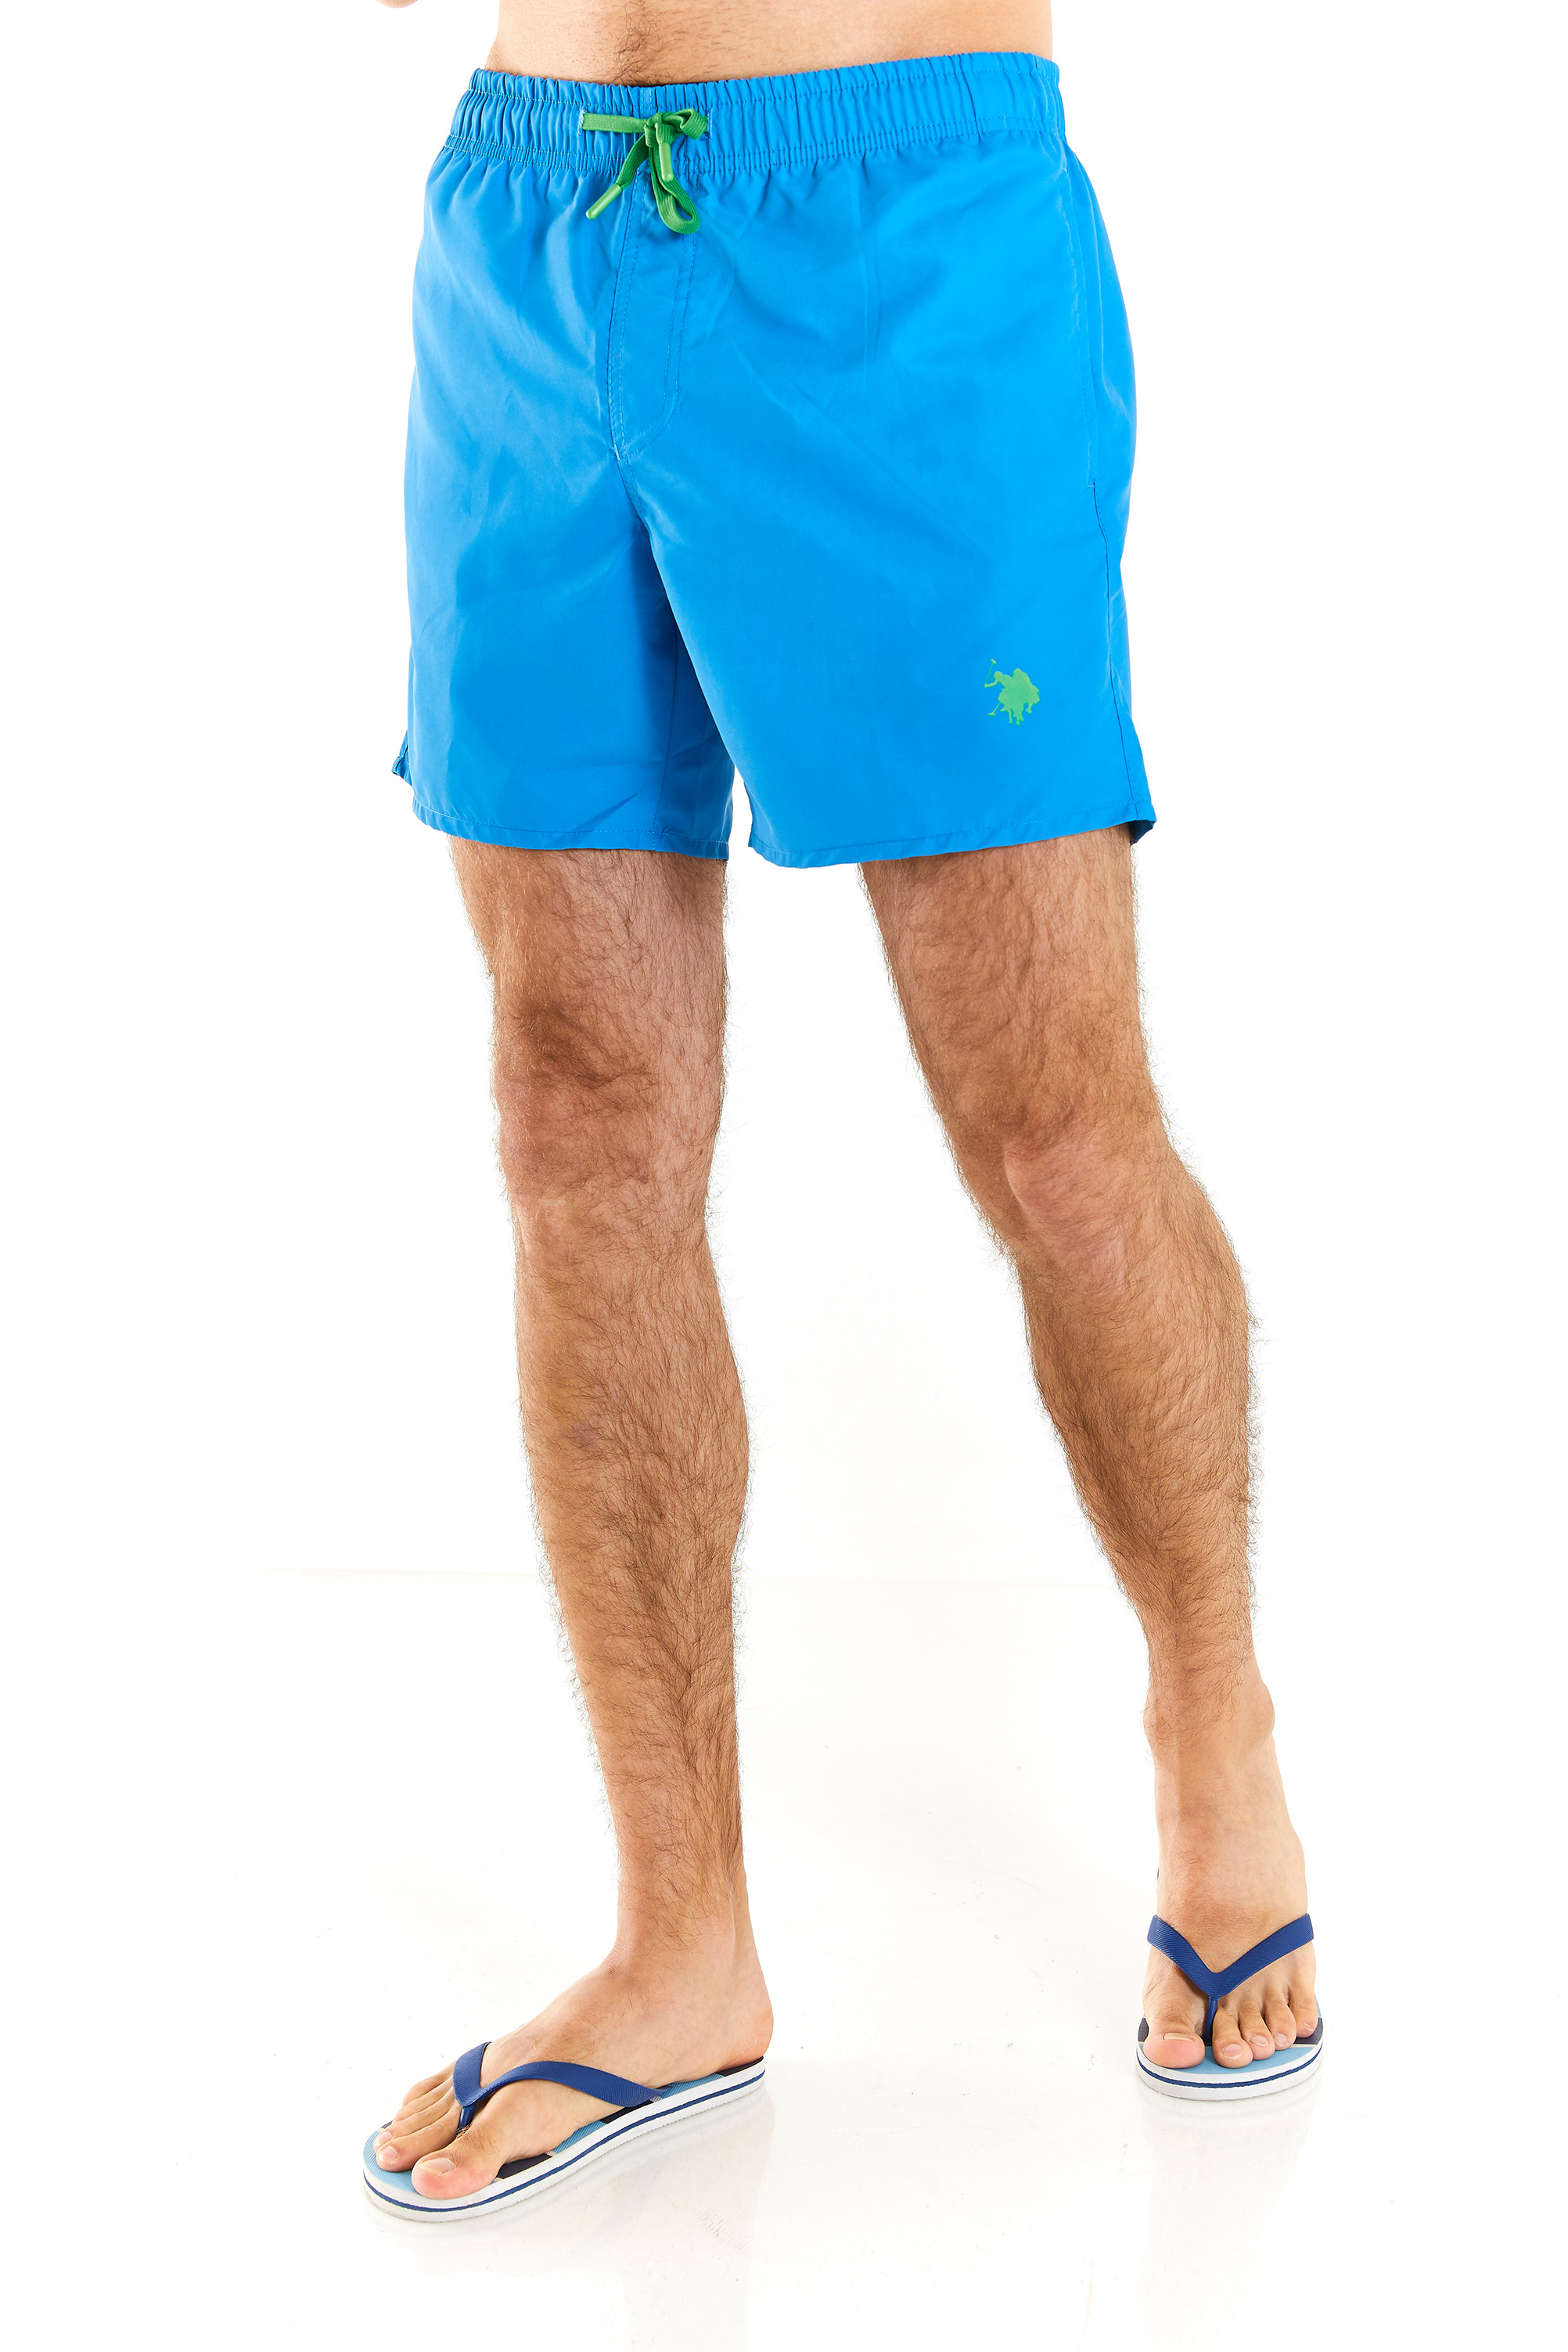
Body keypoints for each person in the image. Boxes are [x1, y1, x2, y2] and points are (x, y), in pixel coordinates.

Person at [365, 0, 1320, 2210]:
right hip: (527, 225)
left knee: (1050, 1123)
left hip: (893, 220)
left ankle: (1214, 1717)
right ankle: (680, 1943)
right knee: (571, 1116)